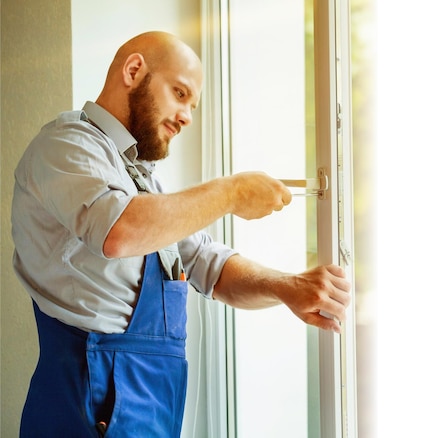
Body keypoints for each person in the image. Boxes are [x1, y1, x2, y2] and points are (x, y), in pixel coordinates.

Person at [11, 31, 351, 437]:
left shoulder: (138, 181)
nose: (187, 116)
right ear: (134, 71)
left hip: (149, 402)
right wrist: (232, 191)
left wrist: (288, 287)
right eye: (180, 93)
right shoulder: (67, 144)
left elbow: (207, 262)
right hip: (89, 404)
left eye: (192, 104)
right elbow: (118, 231)